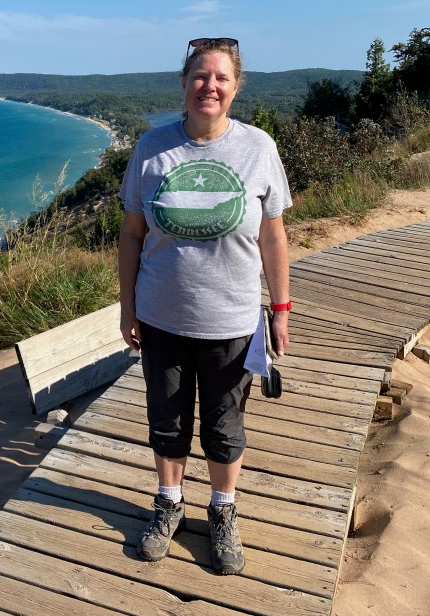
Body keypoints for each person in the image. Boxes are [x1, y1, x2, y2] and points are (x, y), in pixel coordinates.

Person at [117, 37, 292, 575]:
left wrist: (281, 308)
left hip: (233, 320)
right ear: (184, 83)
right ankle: (169, 503)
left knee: (224, 425)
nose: (209, 86)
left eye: (220, 78)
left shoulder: (258, 147)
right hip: (162, 316)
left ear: (236, 87)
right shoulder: (153, 149)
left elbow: (274, 236)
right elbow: (131, 234)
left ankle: (222, 511)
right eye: (199, 76)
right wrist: (127, 307)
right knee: (167, 421)